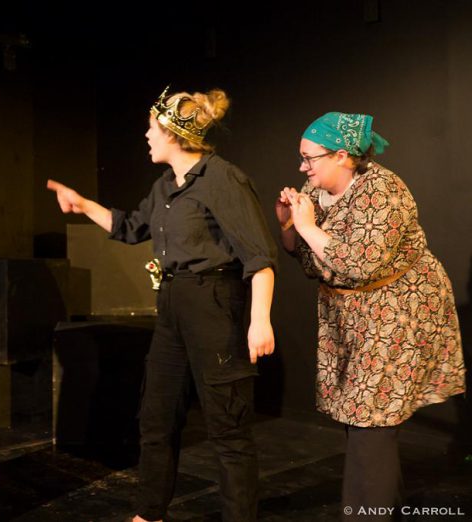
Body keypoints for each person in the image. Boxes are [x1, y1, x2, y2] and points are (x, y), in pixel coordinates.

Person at [48, 86, 278, 522]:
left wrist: (259, 320)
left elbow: (258, 256)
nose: (147, 136)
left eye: (153, 129)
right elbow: (131, 227)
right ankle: (149, 512)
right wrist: (82, 205)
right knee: (156, 418)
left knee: (227, 426)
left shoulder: (222, 178)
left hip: (214, 302)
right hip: (173, 302)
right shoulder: (164, 186)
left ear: (174, 134)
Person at [275, 112, 466, 520]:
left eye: (310, 158)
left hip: (399, 311)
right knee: (362, 422)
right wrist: (290, 226)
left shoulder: (384, 191)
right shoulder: (317, 190)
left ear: (342, 155)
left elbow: (359, 264)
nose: (302, 168)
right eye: (302, 158)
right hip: (351, 315)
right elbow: (313, 262)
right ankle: (381, 507)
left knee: (370, 422)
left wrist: (307, 227)